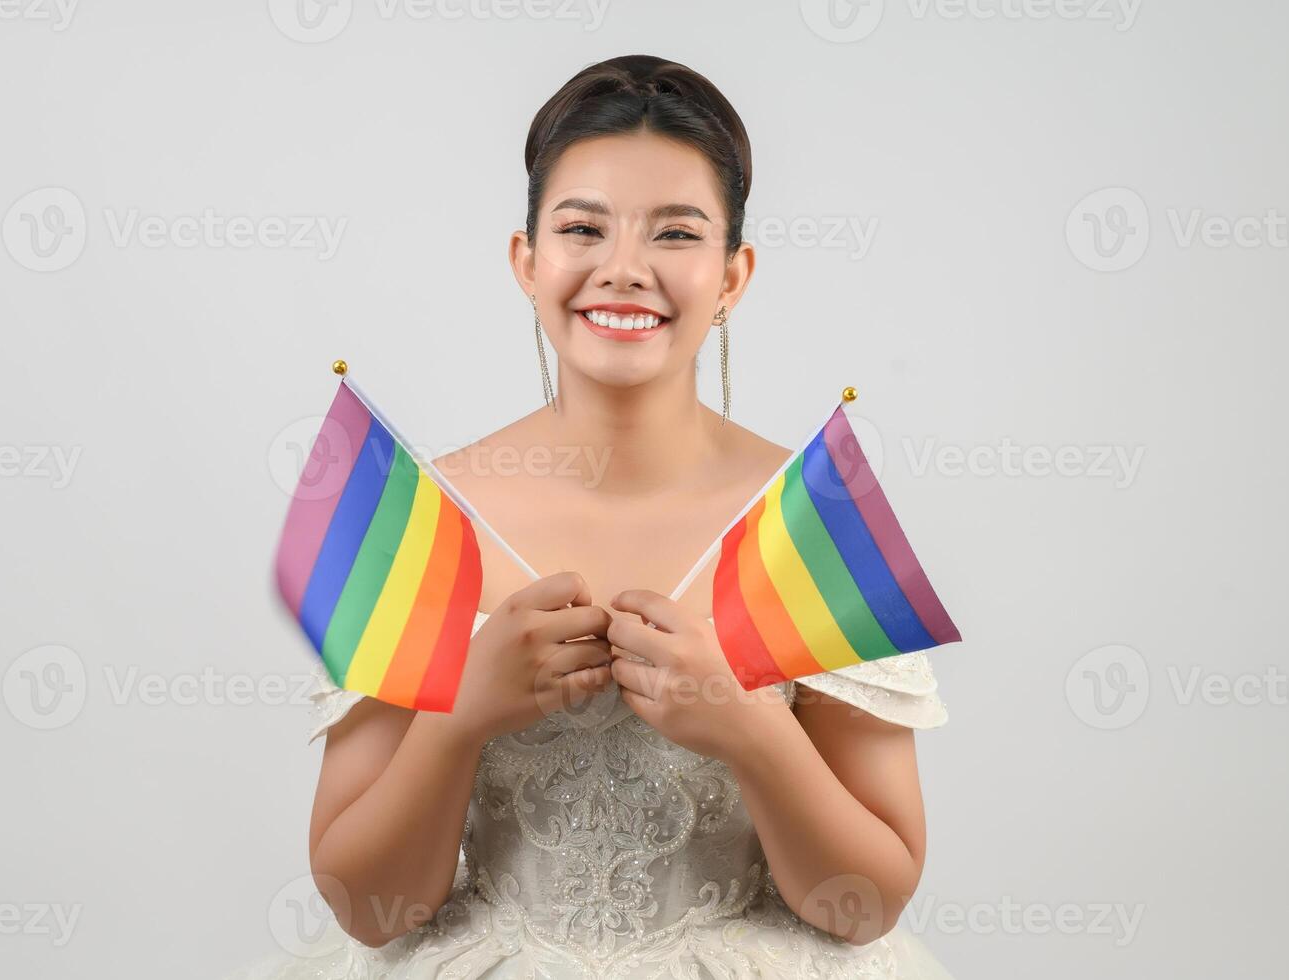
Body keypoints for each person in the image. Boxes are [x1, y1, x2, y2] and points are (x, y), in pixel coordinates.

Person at [228, 54, 955, 980]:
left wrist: (747, 726)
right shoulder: (417, 518)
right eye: (583, 228)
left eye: (676, 234)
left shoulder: (814, 520)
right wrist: (457, 719)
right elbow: (373, 909)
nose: (624, 270)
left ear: (733, 276)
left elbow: (863, 905)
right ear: (526, 262)